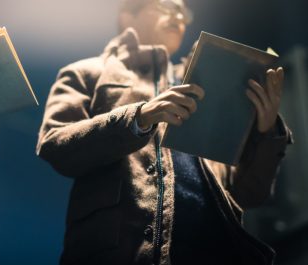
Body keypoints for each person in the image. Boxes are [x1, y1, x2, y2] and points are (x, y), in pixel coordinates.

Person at [36, 0, 292, 264]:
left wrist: (265, 132)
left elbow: (249, 195)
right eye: (166, 6)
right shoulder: (86, 72)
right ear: (127, 16)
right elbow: (55, 144)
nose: (179, 16)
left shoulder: (210, 83)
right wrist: (140, 116)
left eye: (184, 12)